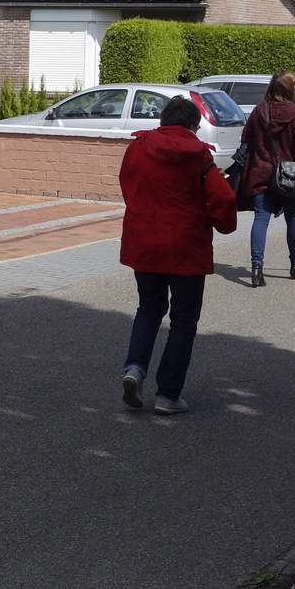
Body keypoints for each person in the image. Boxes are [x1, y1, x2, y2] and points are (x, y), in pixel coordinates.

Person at [119, 95, 238, 415]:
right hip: (186, 247)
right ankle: (168, 395)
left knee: (149, 308)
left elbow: (127, 186)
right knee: (183, 319)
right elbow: (224, 198)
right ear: (191, 125)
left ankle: (134, 369)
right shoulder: (199, 156)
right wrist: (223, 226)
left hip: (144, 242)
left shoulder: (138, 147)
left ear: (163, 120)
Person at [238, 70, 295, 287]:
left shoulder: (259, 109)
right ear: (290, 88)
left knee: (260, 219)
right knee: (293, 220)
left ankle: (256, 269)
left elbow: (245, 138)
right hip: (289, 176)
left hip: (261, 173)